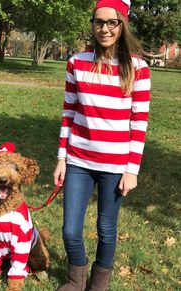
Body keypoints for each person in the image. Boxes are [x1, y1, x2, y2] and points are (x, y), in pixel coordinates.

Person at [53, 0, 151, 290]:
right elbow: (68, 113)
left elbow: (139, 123)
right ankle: (75, 279)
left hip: (115, 165)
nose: (104, 29)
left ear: (123, 24)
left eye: (112, 22)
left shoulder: (139, 69)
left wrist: (131, 170)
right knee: (71, 230)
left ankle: (98, 285)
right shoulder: (77, 62)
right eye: (99, 22)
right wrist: (61, 158)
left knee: (106, 229)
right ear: (92, 24)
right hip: (78, 160)